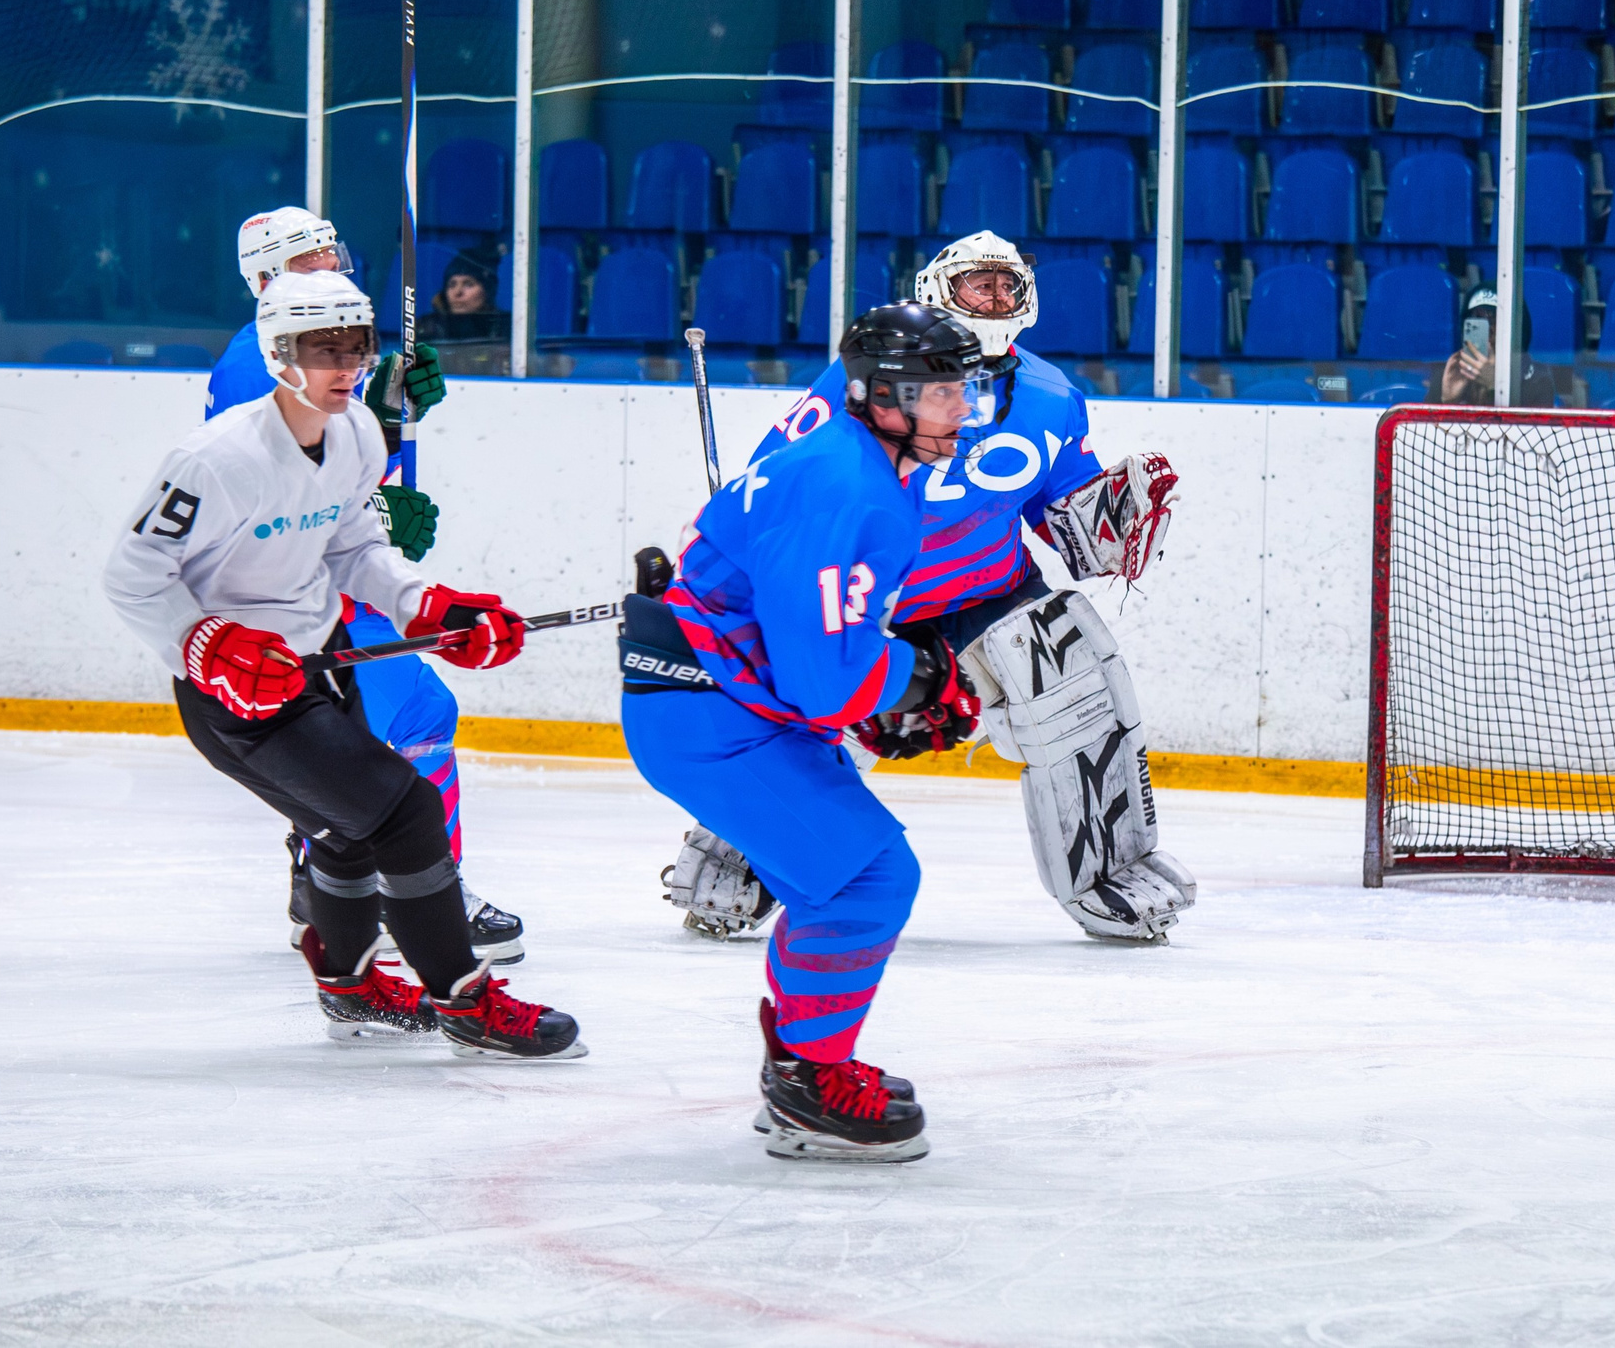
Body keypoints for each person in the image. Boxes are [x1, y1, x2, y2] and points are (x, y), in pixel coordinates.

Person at [661, 230, 1194, 946]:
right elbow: (785, 482)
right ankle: (736, 863)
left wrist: (1110, 523)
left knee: (1076, 680)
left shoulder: (1052, 396)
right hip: (871, 595)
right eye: (981, 284)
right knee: (817, 719)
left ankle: (1108, 870)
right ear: (938, 291)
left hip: (989, 588)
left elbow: (1061, 519)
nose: (997, 298)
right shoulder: (871, 378)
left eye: (1008, 286)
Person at [104, 269, 582, 1058]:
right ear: (278, 353)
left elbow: (354, 544)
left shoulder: (358, 430)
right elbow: (131, 574)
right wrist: (205, 643)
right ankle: (462, 1000)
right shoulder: (214, 459)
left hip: (320, 666)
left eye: (356, 346)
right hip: (239, 700)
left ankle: (350, 985)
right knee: (406, 814)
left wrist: (423, 604)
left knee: (348, 833)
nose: (347, 365)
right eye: (324, 348)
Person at [622, 303, 990, 1161]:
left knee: (847, 878)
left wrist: (889, 685)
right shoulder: (845, 486)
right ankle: (808, 1081)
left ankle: (802, 1064)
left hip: (728, 702)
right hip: (712, 714)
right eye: (942, 392)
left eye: (962, 389)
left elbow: (817, 646)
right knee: (864, 881)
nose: (962, 410)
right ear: (884, 398)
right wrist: (917, 681)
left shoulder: (855, 462)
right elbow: (824, 683)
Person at [207, 208, 523, 967]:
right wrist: (378, 506)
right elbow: (281, 499)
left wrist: (389, 406)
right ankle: (414, 895)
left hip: (311, 588)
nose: (332, 271)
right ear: (265, 281)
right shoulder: (263, 363)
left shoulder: (302, 345)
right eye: (310, 264)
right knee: (408, 719)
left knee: (368, 731)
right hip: (298, 595)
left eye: (332, 255)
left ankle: (322, 887)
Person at [428, 253, 507, 344]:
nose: (457, 292)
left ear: (488, 291)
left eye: (468, 284)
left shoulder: (508, 329)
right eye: (452, 285)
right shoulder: (428, 329)